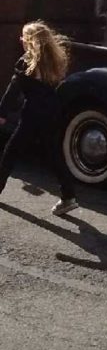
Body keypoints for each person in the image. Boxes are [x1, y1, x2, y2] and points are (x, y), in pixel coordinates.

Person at [0, 21, 78, 215]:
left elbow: (13, 91)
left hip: (33, 114)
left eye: (23, 37)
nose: (20, 40)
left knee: (11, 153)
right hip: (52, 113)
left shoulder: (26, 61)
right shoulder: (55, 60)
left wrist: (2, 113)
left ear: (29, 41)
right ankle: (68, 196)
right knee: (53, 154)